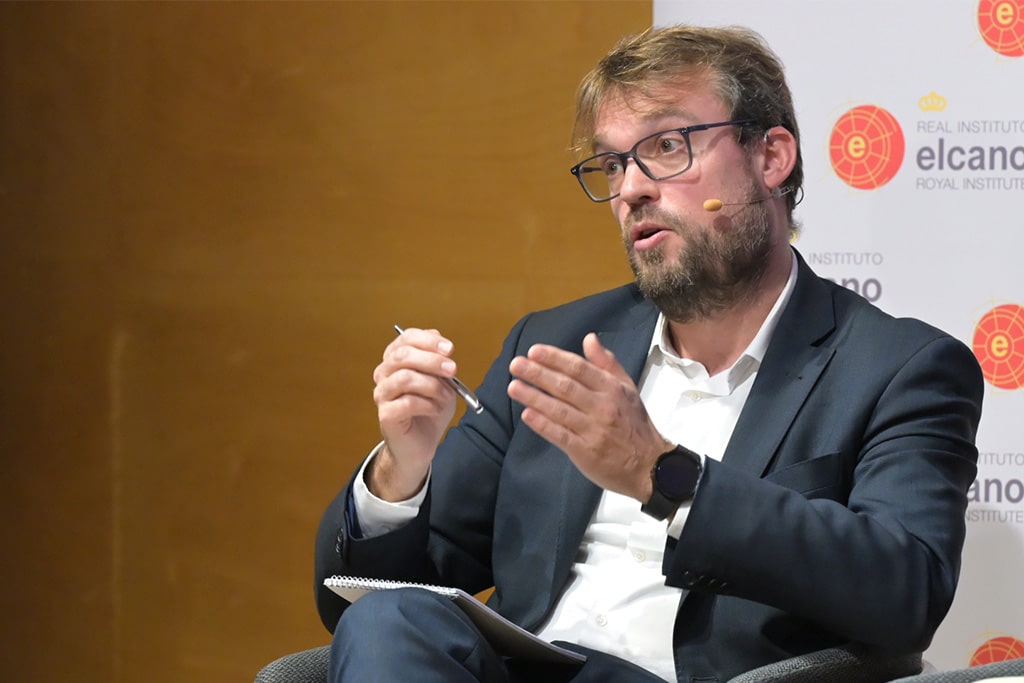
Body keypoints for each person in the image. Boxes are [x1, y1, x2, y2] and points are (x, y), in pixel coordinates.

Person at [313, 24, 984, 682]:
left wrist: (662, 475)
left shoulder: (898, 367)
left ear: (771, 157)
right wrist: (401, 471)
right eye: (613, 163)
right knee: (387, 622)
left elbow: (907, 590)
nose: (631, 188)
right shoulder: (553, 347)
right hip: (527, 665)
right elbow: (370, 598)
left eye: (666, 147)